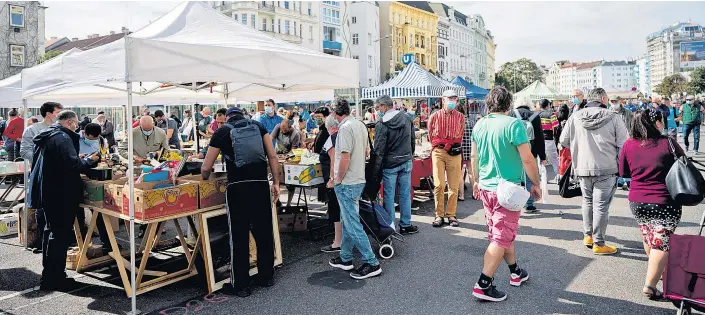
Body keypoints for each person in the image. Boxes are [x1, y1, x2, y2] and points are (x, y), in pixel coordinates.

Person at [470, 86, 539, 302]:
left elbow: (474, 156)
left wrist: (476, 181)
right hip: (507, 190)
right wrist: (535, 183)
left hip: (487, 188)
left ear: (488, 104)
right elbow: (527, 159)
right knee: (500, 236)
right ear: (509, 104)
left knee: (500, 232)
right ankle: (483, 284)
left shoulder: (479, 124)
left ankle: (515, 272)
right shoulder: (514, 125)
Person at [201, 107, 278, 297]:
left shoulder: (222, 132)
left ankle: (241, 285)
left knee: (239, 236)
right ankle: (266, 276)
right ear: (243, 115)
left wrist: (204, 179)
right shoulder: (258, 126)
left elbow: (206, 167)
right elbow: (273, 156)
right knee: (264, 232)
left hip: (238, 187)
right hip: (260, 185)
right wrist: (276, 182)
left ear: (226, 117)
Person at [27, 110, 99, 291]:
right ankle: (54, 278)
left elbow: (60, 161)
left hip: (49, 192)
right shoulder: (62, 138)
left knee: (50, 234)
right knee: (58, 236)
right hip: (60, 194)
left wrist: (78, 158)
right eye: (75, 123)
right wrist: (91, 160)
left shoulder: (49, 134)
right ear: (69, 122)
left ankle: (51, 275)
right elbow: (73, 165)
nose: (77, 127)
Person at [618, 108, 684, 300]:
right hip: (664, 200)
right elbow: (683, 164)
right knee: (661, 244)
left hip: (637, 201)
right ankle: (650, 285)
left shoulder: (628, 144)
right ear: (657, 123)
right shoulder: (668, 143)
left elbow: (624, 173)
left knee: (650, 239)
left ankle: (657, 270)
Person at [560, 87, 628, 255]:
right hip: (607, 168)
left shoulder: (575, 117)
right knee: (601, 206)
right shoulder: (614, 117)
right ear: (603, 99)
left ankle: (588, 236)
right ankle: (599, 242)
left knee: (587, 202)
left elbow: (563, 141)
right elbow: (623, 144)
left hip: (582, 168)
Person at [328, 98, 382, 279]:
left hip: (348, 181)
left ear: (335, 113)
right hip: (358, 178)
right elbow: (366, 152)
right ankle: (346, 258)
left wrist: (338, 178)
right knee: (348, 219)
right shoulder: (360, 125)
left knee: (351, 223)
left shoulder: (344, 128)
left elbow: (344, 157)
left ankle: (371, 262)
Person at [20, 102, 64, 253]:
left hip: (60, 175)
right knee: (41, 208)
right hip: (40, 174)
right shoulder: (33, 129)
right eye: (58, 112)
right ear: (48, 113)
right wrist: (42, 159)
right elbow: (24, 150)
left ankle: (58, 240)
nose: (60, 114)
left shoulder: (61, 128)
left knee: (58, 208)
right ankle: (41, 241)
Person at [372, 95, 418, 235]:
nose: (377, 110)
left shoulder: (382, 124)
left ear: (385, 106)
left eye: (378, 107)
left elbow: (379, 150)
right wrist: (410, 155)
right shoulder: (406, 118)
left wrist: (375, 170)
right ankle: (405, 224)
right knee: (404, 194)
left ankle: (391, 225)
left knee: (389, 196)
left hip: (390, 164)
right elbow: (412, 141)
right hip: (405, 160)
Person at [428, 90, 465, 227]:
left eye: (455, 98)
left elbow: (460, 135)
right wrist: (442, 144)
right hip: (438, 151)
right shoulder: (434, 116)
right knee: (439, 184)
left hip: (454, 152)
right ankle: (439, 214)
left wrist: (450, 144)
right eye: (450, 98)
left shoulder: (461, 117)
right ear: (443, 100)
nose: (452, 101)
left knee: (453, 185)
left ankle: (451, 214)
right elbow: (431, 136)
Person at [509, 97, 545, 213]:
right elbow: (540, 137)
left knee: (516, 177)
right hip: (531, 151)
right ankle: (529, 204)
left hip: (515, 151)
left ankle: (515, 202)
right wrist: (542, 156)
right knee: (529, 176)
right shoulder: (535, 116)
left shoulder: (511, 114)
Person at [316, 109, 343, 253]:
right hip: (337, 179)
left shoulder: (333, 137)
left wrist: (332, 179)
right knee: (337, 208)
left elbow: (333, 160)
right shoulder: (338, 135)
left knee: (335, 208)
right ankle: (339, 240)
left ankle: (337, 242)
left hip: (334, 181)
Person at [271, 119, 302, 207]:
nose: (282, 132)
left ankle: (288, 204)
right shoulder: (278, 127)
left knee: (290, 183)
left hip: (289, 159)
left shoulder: (295, 134)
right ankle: (277, 202)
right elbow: (270, 138)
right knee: (276, 180)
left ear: (290, 127)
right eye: (281, 130)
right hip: (277, 156)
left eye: (285, 131)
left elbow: (294, 151)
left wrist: (285, 158)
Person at [609, 95, 634, 191]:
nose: (614, 103)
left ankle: (628, 180)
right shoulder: (608, 112)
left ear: (620, 101)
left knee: (626, 161)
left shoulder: (627, 112)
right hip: (612, 141)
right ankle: (619, 181)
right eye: (612, 101)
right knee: (615, 162)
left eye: (615, 101)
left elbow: (632, 125)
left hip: (626, 140)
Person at [537, 99, 560, 180]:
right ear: (548, 105)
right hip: (549, 139)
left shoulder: (536, 115)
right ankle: (558, 176)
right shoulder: (551, 114)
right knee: (554, 159)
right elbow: (556, 127)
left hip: (538, 141)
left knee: (540, 160)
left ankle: (543, 178)